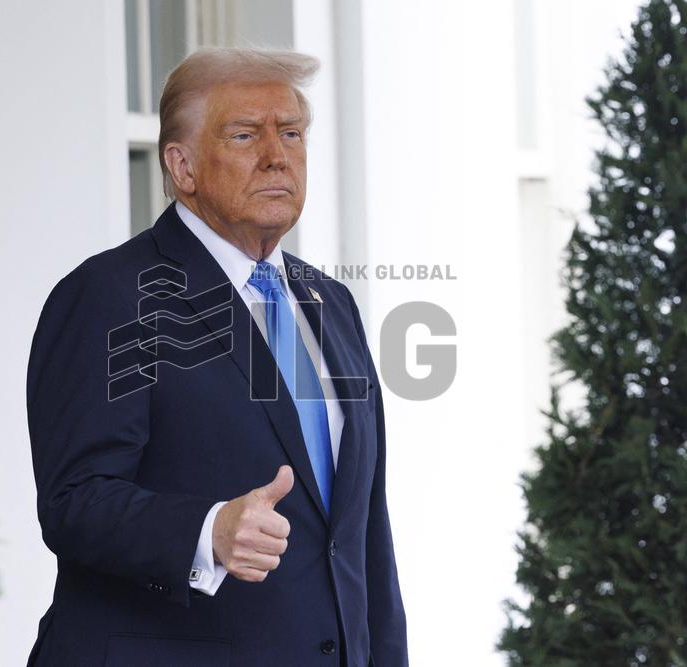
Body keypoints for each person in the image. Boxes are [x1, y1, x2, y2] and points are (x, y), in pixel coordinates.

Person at [25, 47, 408, 666]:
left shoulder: (330, 301)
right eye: (245, 135)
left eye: (291, 132)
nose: (277, 155)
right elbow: (75, 500)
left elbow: (362, 532)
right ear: (183, 166)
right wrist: (208, 531)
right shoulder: (109, 295)